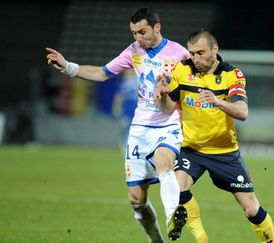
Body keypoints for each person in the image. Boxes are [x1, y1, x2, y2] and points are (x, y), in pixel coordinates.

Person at [46, 6, 198, 242]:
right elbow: (102, 73)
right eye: (134, 33)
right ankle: (156, 239)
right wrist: (68, 66)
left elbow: (197, 85)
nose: (138, 38)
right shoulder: (134, 51)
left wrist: (176, 94)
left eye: (142, 32)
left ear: (157, 27)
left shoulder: (179, 54)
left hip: (169, 124)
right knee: (136, 199)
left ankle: (173, 217)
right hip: (139, 129)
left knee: (164, 163)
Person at [155, 29, 274, 243]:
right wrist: (162, 94)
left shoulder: (232, 74)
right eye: (192, 53)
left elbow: (243, 112)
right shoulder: (182, 70)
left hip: (225, 153)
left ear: (215, 49)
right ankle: (202, 239)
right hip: (191, 149)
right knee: (177, 190)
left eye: (200, 53)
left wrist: (218, 101)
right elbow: (167, 109)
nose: (195, 58)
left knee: (251, 208)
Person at [112, 69, 138, 150]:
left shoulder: (140, 80)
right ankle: (124, 146)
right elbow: (119, 96)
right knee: (125, 129)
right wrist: (116, 107)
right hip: (127, 110)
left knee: (136, 130)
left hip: (137, 110)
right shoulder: (124, 82)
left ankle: (135, 147)